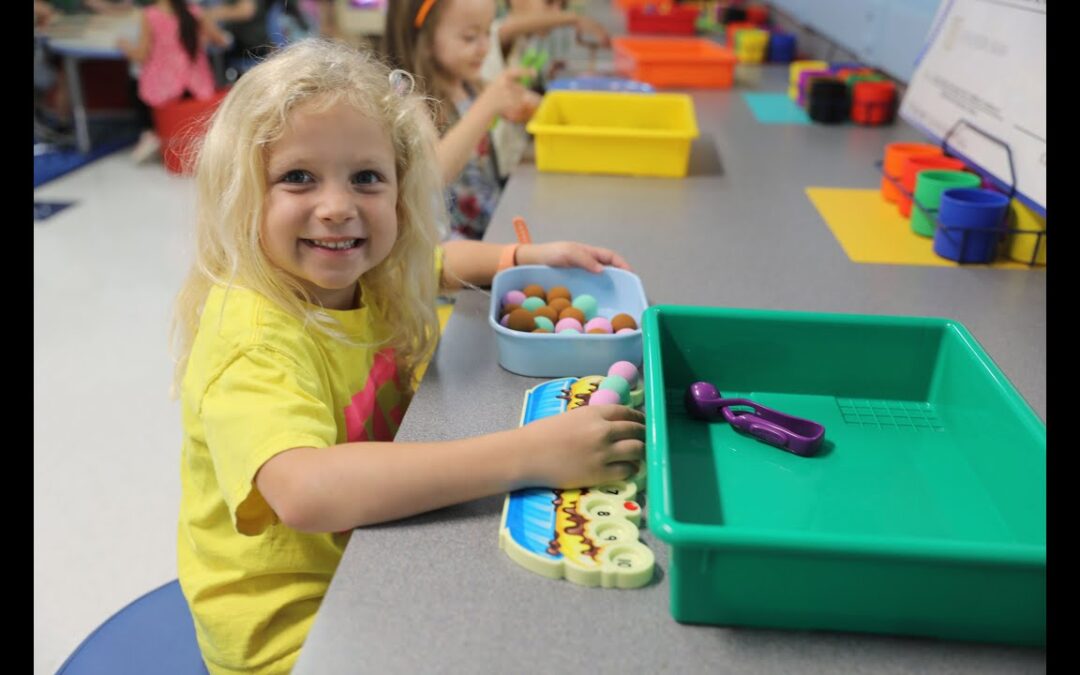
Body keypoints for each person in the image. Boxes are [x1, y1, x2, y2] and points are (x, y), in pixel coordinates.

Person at [173, 38, 644, 673]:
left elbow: (433, 262)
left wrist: (521, 257)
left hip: (374, 558)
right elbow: (304, 490)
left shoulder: (355, 271)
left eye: (366, 177)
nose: (338, 207)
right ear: (242, 194)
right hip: (298, 631)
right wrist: (532, 455)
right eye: (297, 177)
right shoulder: (252, 338)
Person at [383, 0, 542, 240]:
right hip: (452, 254)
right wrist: (488, 105)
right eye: (469, 37)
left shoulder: (468, 83)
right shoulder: (409, 99)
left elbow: (513, 102)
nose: (485, 47)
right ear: (424, 40)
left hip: (492, 227)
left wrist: (527, 105)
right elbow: (432, 173)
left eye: (487, 32)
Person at [117, 0, 229, 162]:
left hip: (163, 88)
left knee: (135, 82)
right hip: (197, 86)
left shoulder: (150, 15)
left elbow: (141, 55)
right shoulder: (195, 13)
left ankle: (150, 131)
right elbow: (221, 40)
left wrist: (125, 46)